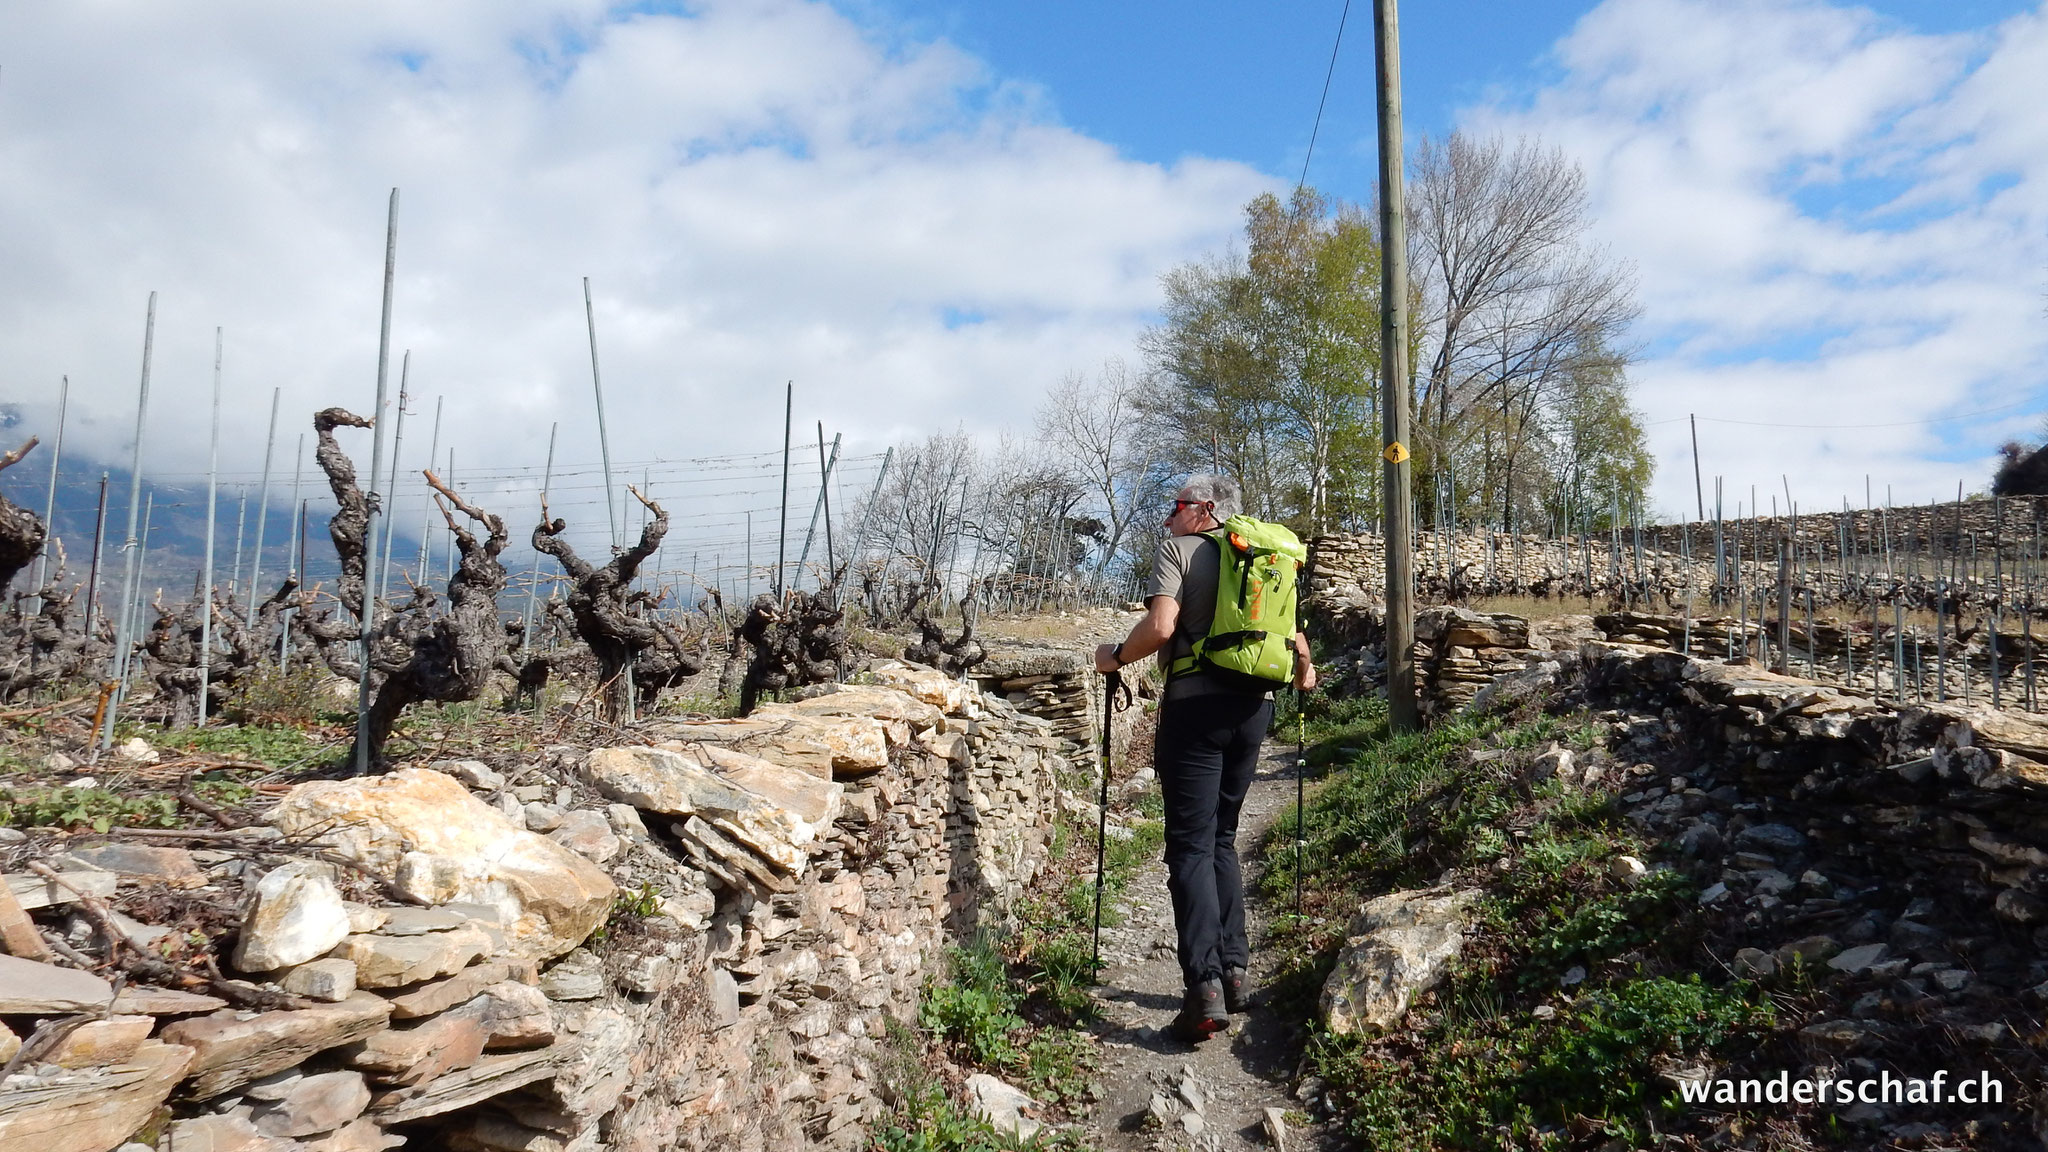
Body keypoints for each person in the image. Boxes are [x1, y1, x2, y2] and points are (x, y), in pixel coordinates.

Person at [1094, 474, 1315, 1042]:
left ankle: (1204, 989)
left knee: (1190, 843)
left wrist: (1114, 657)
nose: (1169, 516)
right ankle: (1236, 973)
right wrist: (1301, 675)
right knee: (1221, 837)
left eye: (1177, 506)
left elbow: (1162, 626)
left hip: (1195, 707)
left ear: (1204, 510)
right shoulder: (1264, 555)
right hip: (1255, 710)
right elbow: (1300, 653)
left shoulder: (1180, 550)